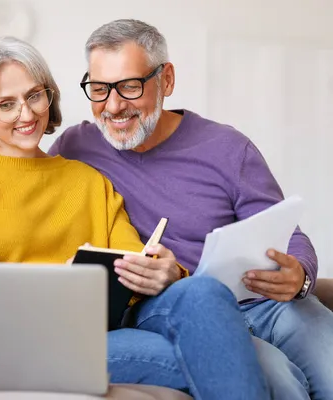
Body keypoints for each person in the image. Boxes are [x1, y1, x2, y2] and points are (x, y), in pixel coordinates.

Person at [0, 36, 269, 399]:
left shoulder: (88, 179)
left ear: (49, 94)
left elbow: (132, 260)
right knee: (216, 354)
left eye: (33, 96)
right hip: (18, 343)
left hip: (97, 331)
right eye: (6, 105)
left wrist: (159, 269)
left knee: (203, 291)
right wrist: (58, 282)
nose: (26, 115)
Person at [46, 18, 333, 400]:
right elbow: (24, 179)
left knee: (325, 355)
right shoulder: (77, 147)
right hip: (173, 308)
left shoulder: (227, 147)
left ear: (165, 80)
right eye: (99, 89)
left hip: (262, 301)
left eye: (130, 86)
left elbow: (290, 235)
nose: (113, 106)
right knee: (278, 377)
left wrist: (301, 277)